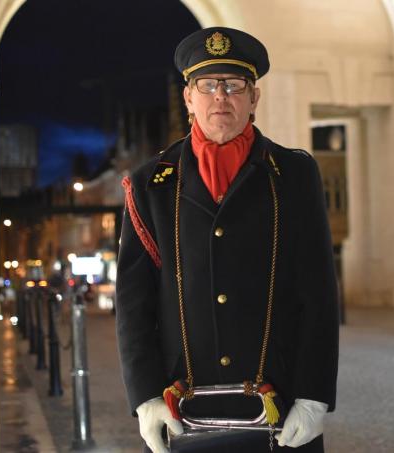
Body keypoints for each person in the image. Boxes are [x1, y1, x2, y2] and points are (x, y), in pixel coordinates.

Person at [116, 27, 339, 453]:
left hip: (280, 403)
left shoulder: (292, 175)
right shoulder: (150, 184)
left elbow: (318, 293)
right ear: (189, 98)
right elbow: (133, 302)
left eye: (235, 86)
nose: (222, 96)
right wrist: (145, 398)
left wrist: (313, 396)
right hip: (180, 409)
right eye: (208, 85)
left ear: (254, 98)